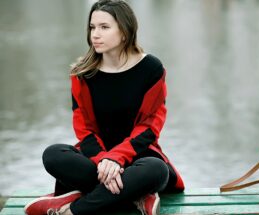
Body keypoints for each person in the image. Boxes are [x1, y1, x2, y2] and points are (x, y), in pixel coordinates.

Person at [24, 0, 184, 214]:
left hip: (139, 157)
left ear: (125, 31)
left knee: (156, 171)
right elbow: (84, 128)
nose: (95, 34)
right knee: (53, 154)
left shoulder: (151, 69)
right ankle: (135, 195)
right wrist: (103, 161)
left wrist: (116, 157)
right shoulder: (82, 73)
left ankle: (73, 208)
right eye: (92, 27)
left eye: (104, 27)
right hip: (94, 159)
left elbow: (150, 126)